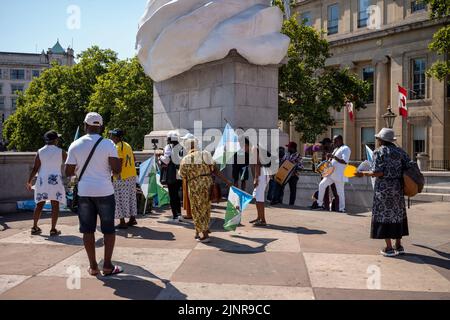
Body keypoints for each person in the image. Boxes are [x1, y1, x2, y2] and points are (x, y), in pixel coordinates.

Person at [65, 112, 123, 277]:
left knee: (87, 230)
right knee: (109, 230)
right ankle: (107, 266)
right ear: (101, 127)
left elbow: (68, 172)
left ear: (85, 126)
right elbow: (117, 169)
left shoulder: (75, 145)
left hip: (84, 193)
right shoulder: (108, 144)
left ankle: (93, 267)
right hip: (105, 191)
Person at [355, 128, 412, 257]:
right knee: (397, 215)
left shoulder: (379, 152)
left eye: (378, 139)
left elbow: (378, 172)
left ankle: (389, 248)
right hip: (398, 188)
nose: (377, 141)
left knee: (385, 216)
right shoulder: (400, 152)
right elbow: (409, 167)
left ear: (381, 140)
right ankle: (399, 245)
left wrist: (362, 174)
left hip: (384, 189)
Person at [179, 138, 232, 243]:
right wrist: (226, 181)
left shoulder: (185, 159)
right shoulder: (206, 154)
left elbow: (182, 174)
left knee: (196, 209)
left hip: (194, 186)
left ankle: (205, 235)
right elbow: (215, 169)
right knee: (206, 208)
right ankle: (198, 231)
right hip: (207, 184)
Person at [26, 130, 66, 236]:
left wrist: (29, 181)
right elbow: (69, 163)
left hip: (42, 180)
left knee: (39, 204)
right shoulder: (61, 151)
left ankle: (34, 227)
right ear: (56, 140)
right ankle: (53, 229)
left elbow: (35, 168)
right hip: (55, 180)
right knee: (55, 204)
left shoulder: (40, 151)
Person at [109, 129, 138, 229]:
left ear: (116, 137)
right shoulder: (127, 145)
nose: (110, 137)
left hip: (122, 176)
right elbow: (134, 159)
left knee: (119, 199)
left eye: (111, 135)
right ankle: (132, 218)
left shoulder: (117, 147)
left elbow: (118, 162)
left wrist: (114, 174)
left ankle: (122, 221)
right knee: (131, 197)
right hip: (131, 175)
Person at [314, 135, 351, 213]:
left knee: (340, 192)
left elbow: (344, 161)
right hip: (331, 173)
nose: (333, 142)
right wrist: (329, 158)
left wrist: (333, 157)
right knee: (321, 185)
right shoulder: (336, 149)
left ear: (340, 140)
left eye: (335, 141)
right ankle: (319, 204)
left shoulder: (346, 148)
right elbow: (332, 160)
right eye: (333, 141)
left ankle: (342, 209)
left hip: (339, 175)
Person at [159, 131, 183, 222]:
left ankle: (175, 216)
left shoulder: (168, 147)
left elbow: (166, 160)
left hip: (171, 175)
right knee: (176, 195)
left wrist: (160, 157)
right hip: (179, 174)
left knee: (172, 196)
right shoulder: (181, 147)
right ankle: (179, 214)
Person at [310, 138, 339, 211]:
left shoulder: (334, 151)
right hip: (325, 173)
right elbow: (322, 162)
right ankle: (325, 207)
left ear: (328, 143)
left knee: (335, 191)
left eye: (324, 144)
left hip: (333, 174)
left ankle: (337, 208)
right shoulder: (324, 151)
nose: (322, 145)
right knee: (325, 191)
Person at [271, 142, 303, 206]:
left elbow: (301, 167)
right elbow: (282, 162)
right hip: (284, 174)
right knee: (280, 186)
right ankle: (278, 200)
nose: (287, 148)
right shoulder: (287, 155)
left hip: (294, 176)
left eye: (289, 147)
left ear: (293, 148)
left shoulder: (298, 156)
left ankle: (291, 204)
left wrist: (293, 167)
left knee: (293, 190)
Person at [250, 144, 270, 226]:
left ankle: (263, 220)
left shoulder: (254, 148)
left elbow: (257, 163)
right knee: (257, 196)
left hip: (261, 174)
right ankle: (259, 217)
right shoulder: (256, 147)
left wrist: (256, 178)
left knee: (259, 198)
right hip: (263, 173)